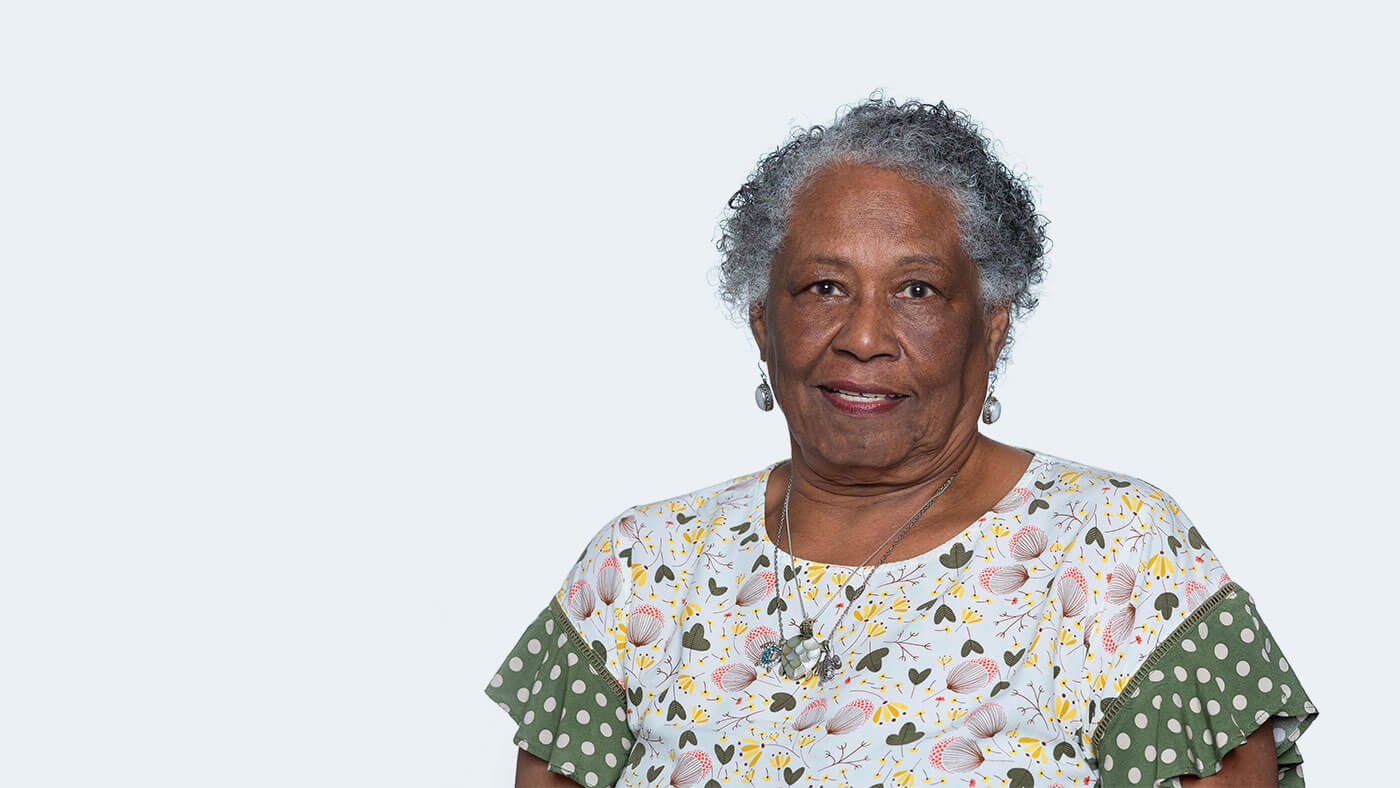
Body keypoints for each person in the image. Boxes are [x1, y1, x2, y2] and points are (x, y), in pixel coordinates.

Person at [485, 97, 1319, 787]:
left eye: (917, 289)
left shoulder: (1117, 555)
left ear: (991, 330)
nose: (864, 336)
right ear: (763, 325)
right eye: (823, 287)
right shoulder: (636, 569)